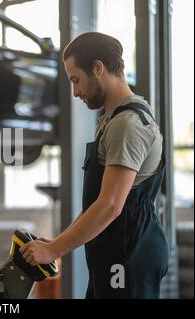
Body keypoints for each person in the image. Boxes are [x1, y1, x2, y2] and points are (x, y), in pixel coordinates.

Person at [20, 32, 169, 298]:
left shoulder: (127, 124)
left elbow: (110, 205)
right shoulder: (111, 120)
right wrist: (56, 243)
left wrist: (54, 251)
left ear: (98, 68)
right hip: (115, 252)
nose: (75, 92)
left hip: (128, 256)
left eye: (76, 80)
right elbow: (97, 204)